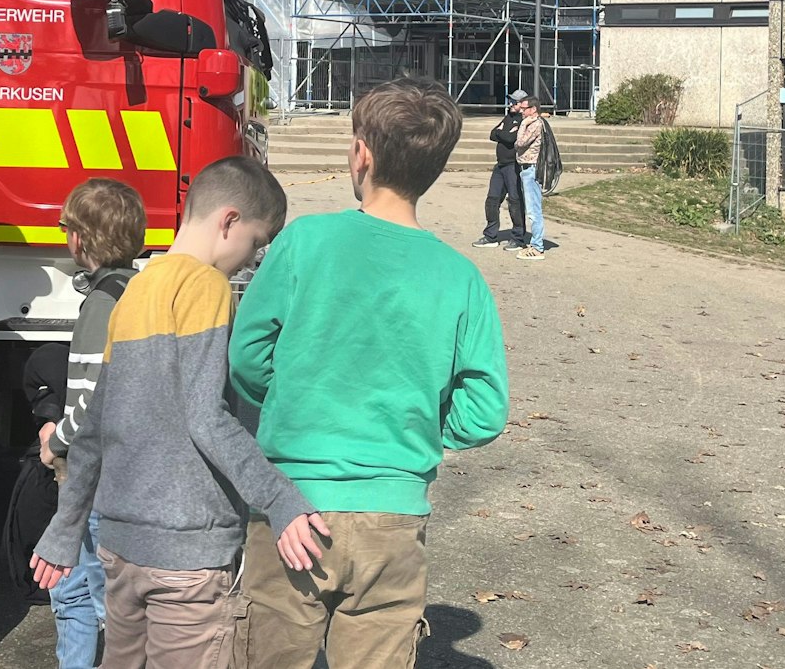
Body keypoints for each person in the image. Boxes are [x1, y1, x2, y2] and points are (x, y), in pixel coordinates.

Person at [230, 76, 510, 669]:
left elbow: (248, 356)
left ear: (362, 154)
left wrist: (287, 399)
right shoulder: (461, 277)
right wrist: (422, 426)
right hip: (394, 511)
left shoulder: (305, 241)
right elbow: (485, 409)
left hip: (291, 500)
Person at [30, 157, 328, 669]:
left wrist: (65, 528)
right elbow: (206, 416)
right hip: (188, 553)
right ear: (229, 221)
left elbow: (94, 427)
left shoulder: (134, 290)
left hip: (122, 551)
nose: (250, 260)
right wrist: (280, 498)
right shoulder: (205, 286)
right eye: (254, 244)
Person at [37, 178, 147, 669]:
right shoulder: (138, 290)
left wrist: (54, 439)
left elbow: (89, 401)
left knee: (82, 589)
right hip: (127, 472)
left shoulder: (100, 304)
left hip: (93, 480)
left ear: (79, 239)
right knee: (90, 589)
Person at [474, 88, 530, 249]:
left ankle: (518, 238)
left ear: (522, 104)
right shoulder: (508, 117)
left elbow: (512, 138)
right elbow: (493, 134)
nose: (511, 104)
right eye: (511, 101)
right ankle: (490, 236)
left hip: (513, 165)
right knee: (492, 199)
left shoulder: (523, 120)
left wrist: (503, 134)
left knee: (514, 201)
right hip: (500, 165)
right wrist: (503, 133)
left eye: (514, 102)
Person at [514, 93, 550, 260]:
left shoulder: (535, 124)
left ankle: (537, 247)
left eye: (524, 109)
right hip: (525, 168)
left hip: (532, 169)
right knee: (532, 208)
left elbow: (520, 143)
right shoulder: (531, 122)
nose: (521, 111)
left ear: (533, 109)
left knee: (533, 210)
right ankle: (535, 243)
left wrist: (522, 125)